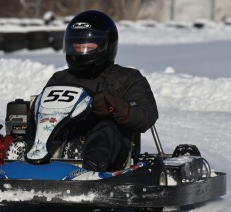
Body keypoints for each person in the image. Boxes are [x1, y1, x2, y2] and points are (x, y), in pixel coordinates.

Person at [44, 10, 158, 172]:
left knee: (106, 127)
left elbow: (147, 115)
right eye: (78, 45)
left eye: (89, 45)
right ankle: (19, 162)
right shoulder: (60, 79)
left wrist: (114, 107)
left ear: (106, 45)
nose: (82, 50)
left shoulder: (128, 78)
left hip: (109, 152)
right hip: (63, 141)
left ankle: (90, 174)